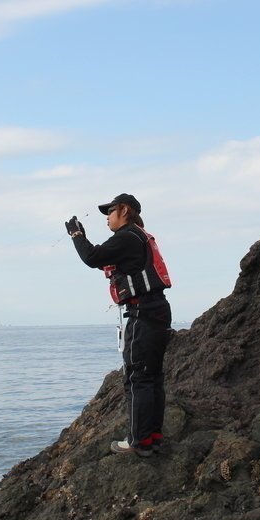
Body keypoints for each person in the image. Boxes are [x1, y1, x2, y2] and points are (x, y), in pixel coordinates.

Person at [65, 193, 172, 457]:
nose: (107, 219)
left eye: (110, 212)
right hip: (158, 310)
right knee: (153, 377)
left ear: (124, 210)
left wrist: (77, 235)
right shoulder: (139, 236)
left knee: (138, 379)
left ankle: (139, 443)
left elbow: (92, 257)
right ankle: (153, 437)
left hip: (144, 313)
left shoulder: (127, 236)